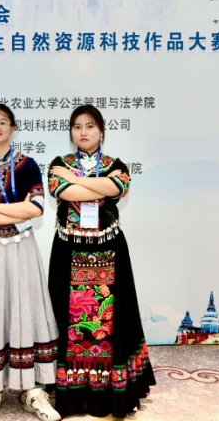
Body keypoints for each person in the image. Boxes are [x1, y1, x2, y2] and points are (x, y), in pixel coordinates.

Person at [47, 105, 155, 418]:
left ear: (102, 131)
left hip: (110, 250)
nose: (83, 132)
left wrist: (75, 179)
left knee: (114, 320)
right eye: (77, 126)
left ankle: (111, 393)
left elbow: (117, 188)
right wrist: (95, 185)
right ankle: (71, 393)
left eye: (90, 126)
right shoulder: (58, 164)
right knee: (67, 320)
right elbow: (64, 192)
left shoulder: (115, 164)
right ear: (71, 132)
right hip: (69, 252)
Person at [0, 104, 60, 421]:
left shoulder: (28, 165)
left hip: (21, 246)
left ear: (13, 127)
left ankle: (33, 388)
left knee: (25, 309)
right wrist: (16, 208)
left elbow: (37, 209)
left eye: (2, 122)